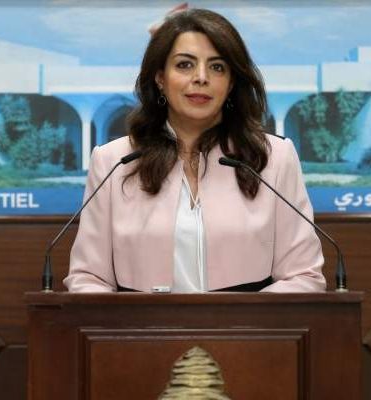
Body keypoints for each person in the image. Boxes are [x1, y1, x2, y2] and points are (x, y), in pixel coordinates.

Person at [64, 9, 326, 293]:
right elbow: (88, 279)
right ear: (160, 77)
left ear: (231, 82)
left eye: (217, 67)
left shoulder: (274, 158)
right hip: (141, 321)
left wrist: (246, 316)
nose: (201, 77)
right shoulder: (113, 161)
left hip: (246, 321)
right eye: (185, 65)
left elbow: (303, 276)